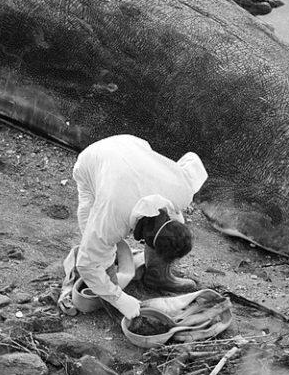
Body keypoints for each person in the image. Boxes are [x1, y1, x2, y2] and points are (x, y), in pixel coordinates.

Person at [71, 134, 208, 319]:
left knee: (174, 229)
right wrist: (120, 300)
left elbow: (192, 161)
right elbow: (86, 264)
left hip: (134, 148)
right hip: (93, 160)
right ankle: (111, 298)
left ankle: (157, 277)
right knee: (97, 250)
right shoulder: (110, 219)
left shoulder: (180, 191)